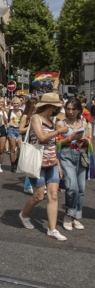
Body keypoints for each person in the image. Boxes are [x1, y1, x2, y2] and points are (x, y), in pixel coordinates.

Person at [18, 93, 69, 240]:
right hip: (38, 164)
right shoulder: (36, 118)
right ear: (51, 106)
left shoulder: (52, 121)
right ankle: (23, 214)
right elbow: (41, 138)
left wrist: (58, 164)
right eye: (57, 107)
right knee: (39, 196)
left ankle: (52, 230)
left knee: (53, 195)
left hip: (52, 162)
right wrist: (59, 131)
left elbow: (52, 145)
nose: (58, 110)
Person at [56, 97, 94, 230]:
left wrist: (85, 140)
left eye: (74, 109)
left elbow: (90, 142)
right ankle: (68, 214)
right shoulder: (61, 124)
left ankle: (76, 216)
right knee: (72, 187)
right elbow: (57, 145)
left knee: (81, 189)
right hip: (66, 156)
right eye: (68, 109)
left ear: (79, 110)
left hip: (81, 156)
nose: (71, 111)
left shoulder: (84, 123)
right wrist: (70, 138)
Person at [18, 99, 37, 194]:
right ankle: (27, 185)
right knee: (30, 164)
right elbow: (20, 130)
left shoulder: (36, 116)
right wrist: (31, 126)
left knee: (35, 164)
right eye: (35, 104)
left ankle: (34, 185)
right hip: (28, 141)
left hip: (36, 141)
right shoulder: (25, 116)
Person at [7, 97, 22, 172]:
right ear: (12, 104)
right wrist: (7, 123)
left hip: (19, 130)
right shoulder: (9, 111)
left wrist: (21, 117)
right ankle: (12, 164)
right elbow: (5, 118)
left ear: (19, 104)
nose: (16, 105)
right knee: (12, 149)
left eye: (17, 103)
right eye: (14, 103)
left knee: (20, 148)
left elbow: (25, 121)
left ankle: (16, 161)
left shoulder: (21, 111)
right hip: (11, 130)